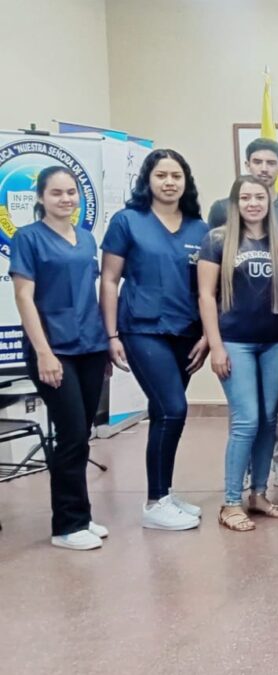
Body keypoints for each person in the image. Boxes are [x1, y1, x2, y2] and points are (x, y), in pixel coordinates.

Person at [101, 149, 209, 531]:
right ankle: (153, 503)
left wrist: (209, 337)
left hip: (187, 332)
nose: (168, 182)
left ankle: (163, 491)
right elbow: (110, 280)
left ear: (186, 181)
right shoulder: (128, 221)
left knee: (166, 415)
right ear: (148, 179)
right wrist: (111, 333)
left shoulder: (200, 227)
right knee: (173, 408)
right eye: (161, 174)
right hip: (142, 328)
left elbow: (206, 290)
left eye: (176, 175)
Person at [11, 167, 110, 549]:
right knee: (70, 434)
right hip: (53, 349)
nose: (66, 199)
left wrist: (102, 345)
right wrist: (44, 353)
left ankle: (81, 515)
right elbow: (23, 297)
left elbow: (89, 291)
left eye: (71, 192)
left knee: (81, 433)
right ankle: (66, 526)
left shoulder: (85, 239)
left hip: (89, 345)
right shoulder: (28, 239)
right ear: (40, 197)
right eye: (56, 193)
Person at [198, 176, 278, 533]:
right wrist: (216, 344)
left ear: (269, 200)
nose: (253, 203)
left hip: (276, 341)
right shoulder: (218, 240)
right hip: (236, 341)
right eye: (245, 197)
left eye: (260, 197)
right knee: (246, 420)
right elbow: (206, 296)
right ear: (235, 202)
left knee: (269, 418)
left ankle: (258, 493)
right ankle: (231, 501)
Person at [206, 137, 278, 240]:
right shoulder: (222, 208)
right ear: (247, 166)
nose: (264, 169)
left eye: (271, 163)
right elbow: (211, 250)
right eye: (257, 162)